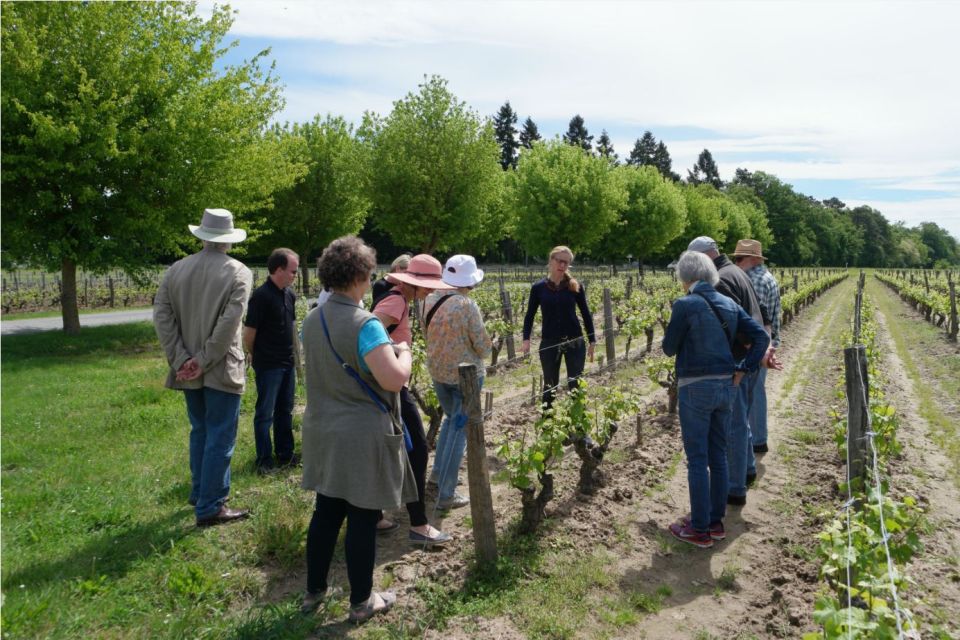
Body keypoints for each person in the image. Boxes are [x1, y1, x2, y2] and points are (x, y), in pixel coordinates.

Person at [299, 235, 417, 623]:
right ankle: (362, 602)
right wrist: (405, 352)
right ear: (359, 277)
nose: (371, 283)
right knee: (363, 517)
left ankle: (313, 592)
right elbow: (394, 380)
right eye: (369, 276)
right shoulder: (365, 324)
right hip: (360, 434)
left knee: (326, 513)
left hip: (322, 428)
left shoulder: (312, 318)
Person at [154, 208, 253, 527]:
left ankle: (200, 492)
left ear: (202, 235)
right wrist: (203, 360)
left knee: (201, 431)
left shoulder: (176, 270)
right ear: (228, 238)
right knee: (220, 437)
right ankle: (211, 505)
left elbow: (162, 318)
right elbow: (229, 324)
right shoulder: (239, 272)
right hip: (221, 366)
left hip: (189, 368)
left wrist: (182, 359)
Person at [662, 251, 769, 548]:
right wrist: (744, 368)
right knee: (718, 455)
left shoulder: (685, 305)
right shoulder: (729, 303)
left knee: (697, 459)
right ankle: (715, 523)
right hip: (726, 387)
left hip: (695, 387)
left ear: (685, 277)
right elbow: (761, 336)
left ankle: (698, 529)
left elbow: (669, 349)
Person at [370, 254, 454, 545]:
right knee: (417, 449)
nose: (431, 291)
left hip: (390, 384)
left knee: (393, 450)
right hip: (390, 388)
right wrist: (400, 350)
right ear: (414, 283)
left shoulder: (400, 299)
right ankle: (419, 524)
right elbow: (368, 336)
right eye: (427, 285)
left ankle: (375, 515)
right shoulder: (396, 301)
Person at [687, 236, 766, 506]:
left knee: (732, 426)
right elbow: (762, 314)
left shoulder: (720, 279)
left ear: (706, 257)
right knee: (741, 419)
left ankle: (735, 489)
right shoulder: (738, 273)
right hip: (751, 359)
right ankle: (747, 470)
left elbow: (739, 327)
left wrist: (742, 360)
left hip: (738, 363)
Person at [425, 255, 491, 511]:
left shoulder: (429, 300)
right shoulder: (466, 305)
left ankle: (437, 475)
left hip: (438, 374)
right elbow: (483, 347)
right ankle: (446, 493)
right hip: (466, 379)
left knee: (449, 423)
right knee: (459, 431)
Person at [243, 248, 300, 475]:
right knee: (265, 413)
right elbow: (249, 333)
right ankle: (264, 460)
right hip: (269, 364)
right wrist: (254, 354)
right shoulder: (261, 296)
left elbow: (292, 328)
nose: (295, 275)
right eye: (293, 271)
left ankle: (285, 454)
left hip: (287, 363)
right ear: (278, 270)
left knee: (285, 410)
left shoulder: (289, 294)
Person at [521, 246, 596, 408]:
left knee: (575, 384)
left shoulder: (575, 286)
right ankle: (547, 424)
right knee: (549, 386)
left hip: (575, 341)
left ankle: (578, 427)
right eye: (560, 261)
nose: (563, 265)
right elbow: (529, 315)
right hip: (549, 342)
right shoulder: (538, 288)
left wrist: (592, 340)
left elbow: (586, 314)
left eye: (566, 262)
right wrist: (526, 338)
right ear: (551, 261)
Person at [733, 239, 782, 455]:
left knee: (751, 394)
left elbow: (753, 320)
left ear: (753, 259)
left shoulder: (753, 280)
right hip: (765, 344)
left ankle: (756, 441)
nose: (737, 263)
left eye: (740, 259)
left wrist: (754, 348)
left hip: (756, 347)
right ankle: (758, 439)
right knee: (757, 391)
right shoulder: (766, 277)